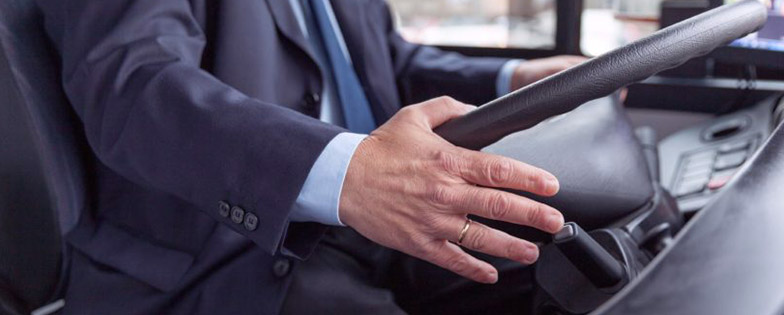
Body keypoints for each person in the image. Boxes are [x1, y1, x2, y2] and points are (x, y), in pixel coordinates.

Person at [36, 0, 584, 313]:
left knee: (567, 272)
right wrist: (351, 175)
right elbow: (133, 86)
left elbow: (389, 62)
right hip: (226, 254)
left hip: (375, 222)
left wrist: (510, 76)